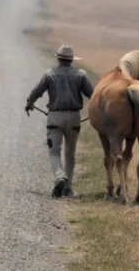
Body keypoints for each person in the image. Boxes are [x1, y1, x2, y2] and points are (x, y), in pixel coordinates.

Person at [25, 45, 94, 198]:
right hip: (74, 118)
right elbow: (93, 95)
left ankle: (59, 176)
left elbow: (37, 91)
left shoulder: (50, 74)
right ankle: (68, 188)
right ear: (71, 60)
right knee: (70, 153)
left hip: (55, 118)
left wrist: (29, 103)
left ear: (58, 58)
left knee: (54, 151)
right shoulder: (81, 75)